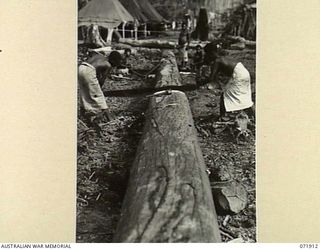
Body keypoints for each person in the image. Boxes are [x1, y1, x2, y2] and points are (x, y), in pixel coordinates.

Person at [205, 42, 254, 120]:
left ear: (211, 53)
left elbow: (212, 77)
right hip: (244, 72)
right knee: (244, 95)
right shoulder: (224, 57)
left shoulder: (217, 61)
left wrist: (204, 81)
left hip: (238, 75)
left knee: (225, 96)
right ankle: (252, 114)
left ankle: (222, 117)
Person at [78, 52, 117, 126]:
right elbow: (102, 80)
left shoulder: (100, 56)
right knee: (99, 96)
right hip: (89, 71)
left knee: (84, 92)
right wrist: (99, 89)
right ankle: (109, 118)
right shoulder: (108, 65)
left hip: (81, 67)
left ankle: (81, 114)